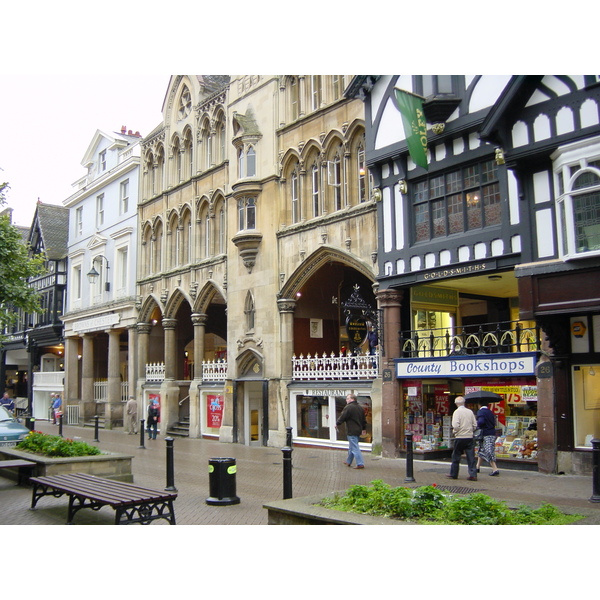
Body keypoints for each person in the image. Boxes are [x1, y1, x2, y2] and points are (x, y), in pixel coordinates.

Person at [447, 396, 478, 481]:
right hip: (469, 437)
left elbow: (455, 425)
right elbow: (475, 425)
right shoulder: (470, 412)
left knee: (456, 456)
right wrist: (470, 430)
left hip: (460, 437)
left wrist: (455, 431)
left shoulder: (457, 412)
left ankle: (454, 474)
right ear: (464, 403)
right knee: (471, 457)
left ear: (456, 403)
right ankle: (473, 474)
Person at [336, 393, 367, 469]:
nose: (346, 400)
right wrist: (363, 429)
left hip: (352, 430)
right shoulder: (360, 408)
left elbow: (343, 416)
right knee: (352, 446)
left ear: (351, 399)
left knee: (355, 447)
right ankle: (348, 461)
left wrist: (337, 423)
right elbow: (363, 420)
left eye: (347, 398)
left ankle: (360, 463)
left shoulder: (348, 407)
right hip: (358, 430)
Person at [476, 401, 500, 476]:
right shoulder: (490, 412)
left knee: (488, 450)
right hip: (492, 433)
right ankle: (477, 467)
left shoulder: (481, 412)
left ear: (479, 405)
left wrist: (477, 425)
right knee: (482, 449)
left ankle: (495, 468)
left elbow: (481, 422)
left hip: (485, 433)